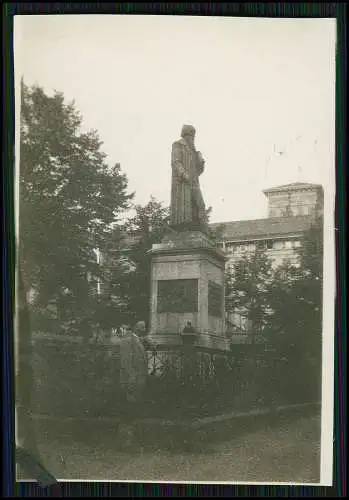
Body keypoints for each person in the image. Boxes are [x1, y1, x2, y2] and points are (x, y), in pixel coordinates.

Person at [170, 124, 208, 231]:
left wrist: (201, 163)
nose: (192, 139)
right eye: (191, 136)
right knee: (186, 208)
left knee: (200, 204)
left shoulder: (193, 151)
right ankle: (186, 228)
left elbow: (198, 171)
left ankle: (203, 229)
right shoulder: (177, 145)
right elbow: (176, 162)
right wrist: (184, 174)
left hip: (194, 182)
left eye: (193, 137)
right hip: (183, 183)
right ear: (186, 135)